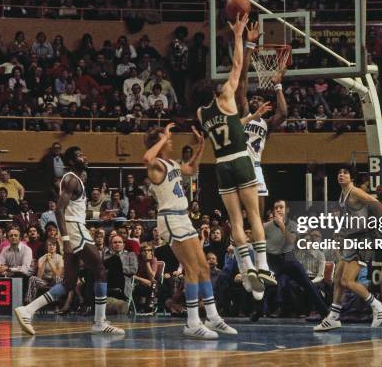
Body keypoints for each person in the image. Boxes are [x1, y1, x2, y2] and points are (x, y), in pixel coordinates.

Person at [197, 13, 275, 302]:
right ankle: (263, 266)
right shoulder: (227, 96)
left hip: (221, 165)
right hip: (243, 159)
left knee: (234, 221)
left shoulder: (200, 114)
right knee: (254, 214)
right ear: (216, 90)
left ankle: (245, 267)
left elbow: (228, 126)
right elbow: (239, 65)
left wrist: (251, 117)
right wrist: (240, 36)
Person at [14, 146, 124, 335]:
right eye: (80, 155)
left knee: (68, 284)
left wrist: (99, 214)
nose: (85, 157)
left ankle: (27, 310)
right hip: (74, 230)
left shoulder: (78, 180)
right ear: (72, 161)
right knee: (100, 270)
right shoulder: (71, 179)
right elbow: (59, 210)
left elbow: (78, 210)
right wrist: (65, 239)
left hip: (76, 227)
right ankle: (99, 322)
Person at [143, 123, 235, 339]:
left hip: (182, 217)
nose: (171, 140)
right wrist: (161, 138)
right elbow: (146, 158)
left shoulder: (171, 163)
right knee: (192, 268)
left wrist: (201, 146)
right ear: (159, 143)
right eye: (167, 138)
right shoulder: (155, 165)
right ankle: (193, 322)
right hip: (170, 219)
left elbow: (191, 169)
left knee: (203, 266)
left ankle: (212, 316)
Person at [315, 165, 382, 332]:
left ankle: (377, 306)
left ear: (352, 177)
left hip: (362, 240)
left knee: (347, 281)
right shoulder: (343, 195)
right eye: (339, 172)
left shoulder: (355, 192)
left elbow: (377, 204)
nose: (341, 175)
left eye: (345, 173)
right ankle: (333, 317)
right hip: (351, 239)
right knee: (337, 280)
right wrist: (341, 232)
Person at [235, 21, 288, 216]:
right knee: (240, 213)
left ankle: (260, 245)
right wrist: (249, 46)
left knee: (259, 215)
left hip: (256, 166)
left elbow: (283, 113)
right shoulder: (244, 113)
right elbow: (242, 81)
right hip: (240, 164)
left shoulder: (265, 124)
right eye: (253, 97)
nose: (255, 99)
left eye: (259, 98)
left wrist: (277, 86)